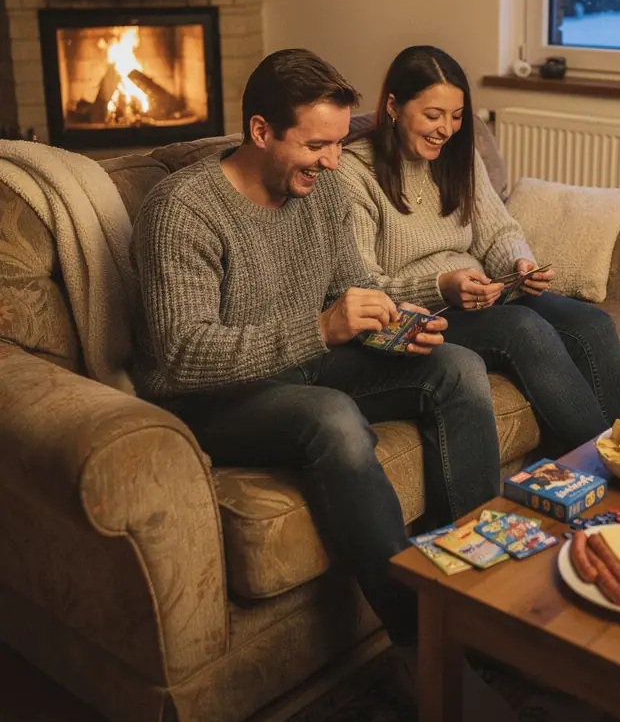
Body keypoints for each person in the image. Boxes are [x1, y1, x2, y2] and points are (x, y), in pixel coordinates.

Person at [130, 48, 503, 652]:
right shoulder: (182, 210)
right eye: (315, 146)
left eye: (336, 144)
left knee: (457, 367)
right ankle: (425, 644)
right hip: (210, 396)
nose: (333, 161)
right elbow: (183, 354)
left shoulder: (323, 191)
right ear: (260, 131)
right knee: (332, 417)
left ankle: (481, 591)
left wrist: (396, 321)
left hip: (302, 364)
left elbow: (355, 286)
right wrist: (321, 329)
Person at [337, 45, 620, 454]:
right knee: (523, 329)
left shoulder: (457, 156)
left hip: (483, 294)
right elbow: (363, 286)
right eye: (432, 115)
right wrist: (441, 286)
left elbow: (497, 231)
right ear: (393, 106)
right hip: (426, 313)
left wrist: (518, 263)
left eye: (456, 116)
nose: (446, 129)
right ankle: (605, 464)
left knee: (593, 324)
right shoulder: (355, 174)